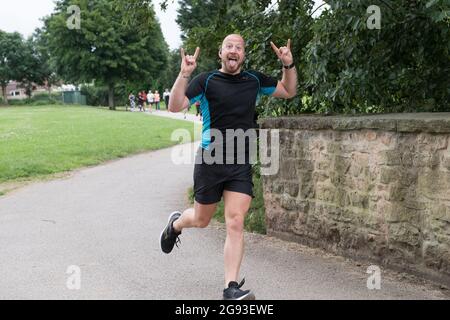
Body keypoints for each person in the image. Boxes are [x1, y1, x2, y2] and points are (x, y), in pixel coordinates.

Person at [160, 34, 297, 300]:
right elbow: (175, 106)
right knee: (201, 220)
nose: (233, 51)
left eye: (239, 47)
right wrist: (184, 74)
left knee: (235, 221)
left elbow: (289, 91)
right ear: (220, 52)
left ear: (243, 54)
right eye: (229, 47)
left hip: (240, 162)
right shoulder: (206, 81)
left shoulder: (254, 81)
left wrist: (288, 65)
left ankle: (230, 287)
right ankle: (176, 224)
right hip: (210, 161)